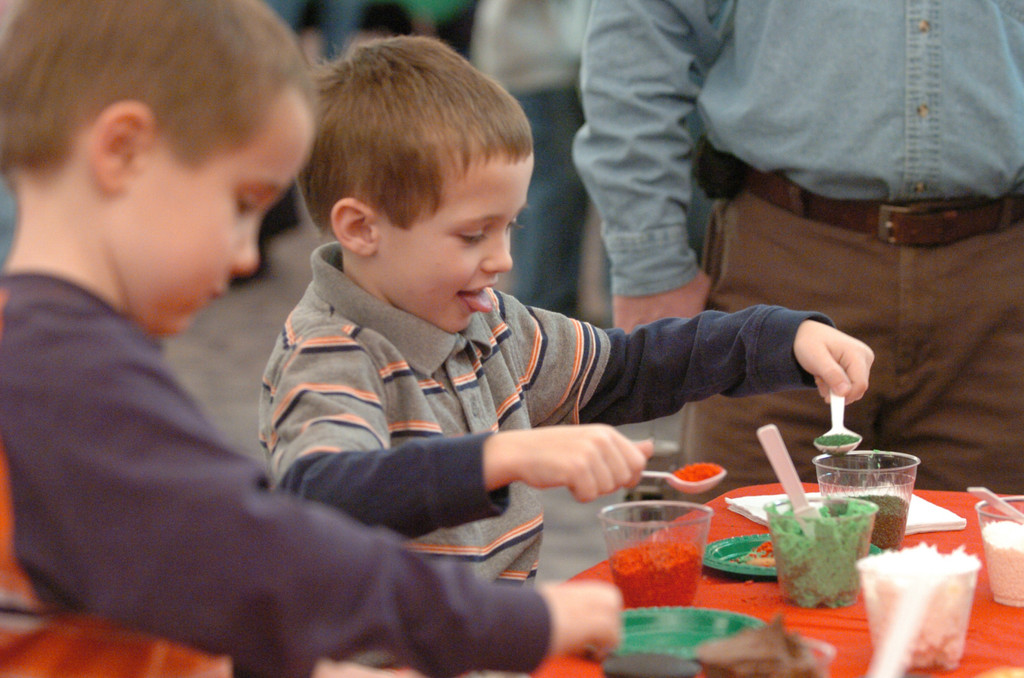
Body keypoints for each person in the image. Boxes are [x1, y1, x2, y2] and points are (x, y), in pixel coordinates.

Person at [0, 2, 628, 677]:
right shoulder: (59, 374)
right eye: (243, 204)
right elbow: (267, 560)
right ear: (123, 151)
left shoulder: (44, 353)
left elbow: (163, 593)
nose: (247, 256)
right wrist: (521, 622)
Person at [258, 35, 874, 583]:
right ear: (362, 228)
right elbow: (319, 494)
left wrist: (778, 339)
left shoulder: (492, 324)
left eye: (511, 227)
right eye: (473, 235)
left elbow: (629, 368)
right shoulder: (331, 353)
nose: (502, 258)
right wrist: (506, 455)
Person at [573, 1, 1024, 493]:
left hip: (999, 289)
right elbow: (641, 32)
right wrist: (650, 263)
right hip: (784, 260)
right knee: (749, 547)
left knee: (991, 552)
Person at [471, 0, 593, 319]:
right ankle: (541, 322)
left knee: (547, 195)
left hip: (538, 55)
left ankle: (541, 319)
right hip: (542, 59)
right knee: (549, 198)